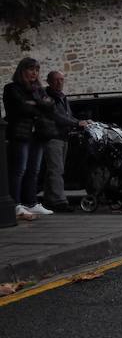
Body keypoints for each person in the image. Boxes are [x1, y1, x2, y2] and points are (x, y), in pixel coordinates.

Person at [3, 58, 56, 219]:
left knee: (34, 170)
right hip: (21, 133)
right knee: (20, 169)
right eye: (31, 69)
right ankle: (16, 204)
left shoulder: (38, 89)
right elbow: (21, 108)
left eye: (37, 69)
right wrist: (39, 104)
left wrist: (35, 103)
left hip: (38, 133)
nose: (34, 73)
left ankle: (31, 203)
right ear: (22, 70)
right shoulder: (12, 88)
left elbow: (50, 105)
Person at [43, 71, 88, 212]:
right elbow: (56, 116)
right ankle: (59, 201)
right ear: (49, 81)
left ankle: (50, 199)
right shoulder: (47, 97)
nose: (60, 82)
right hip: (53, 137)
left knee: (54, 170)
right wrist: (77, 123)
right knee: (56, 170)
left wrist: (81, 122)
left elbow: (68, 115)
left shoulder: (62, 97)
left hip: (63, 137)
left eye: (62, 79)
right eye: (56, 80)